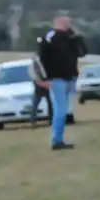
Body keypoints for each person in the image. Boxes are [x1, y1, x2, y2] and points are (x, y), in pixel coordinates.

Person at [36, 14, 87, 150]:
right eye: (67, 23)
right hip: (57, 78)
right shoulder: (50, 37)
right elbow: (41, 59)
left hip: (70, 77)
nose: (69, 25)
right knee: (60, 109)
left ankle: (59, 138)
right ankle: (56, 140)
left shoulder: (70, 38)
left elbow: (82, 53)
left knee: (65, 108)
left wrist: (78, 37)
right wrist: (43, 78)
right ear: (59, 23)